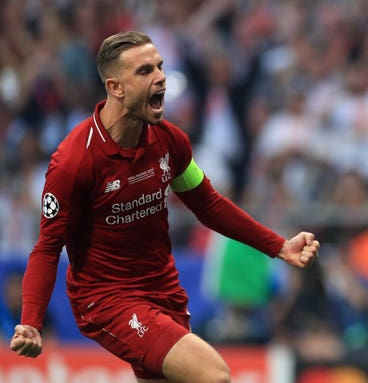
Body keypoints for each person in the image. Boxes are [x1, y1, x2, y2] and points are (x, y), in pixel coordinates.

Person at [9, 31, 320, 383]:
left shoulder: (169, 141)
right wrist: (31, 322)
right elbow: (48, 247)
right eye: (144, 71)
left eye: (159, 67)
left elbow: (208, 205)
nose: (160, 78)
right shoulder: (74, 162)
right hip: (109, 300)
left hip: (165, 291)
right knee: (213, 374)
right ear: (115, 88)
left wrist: (278, 245)